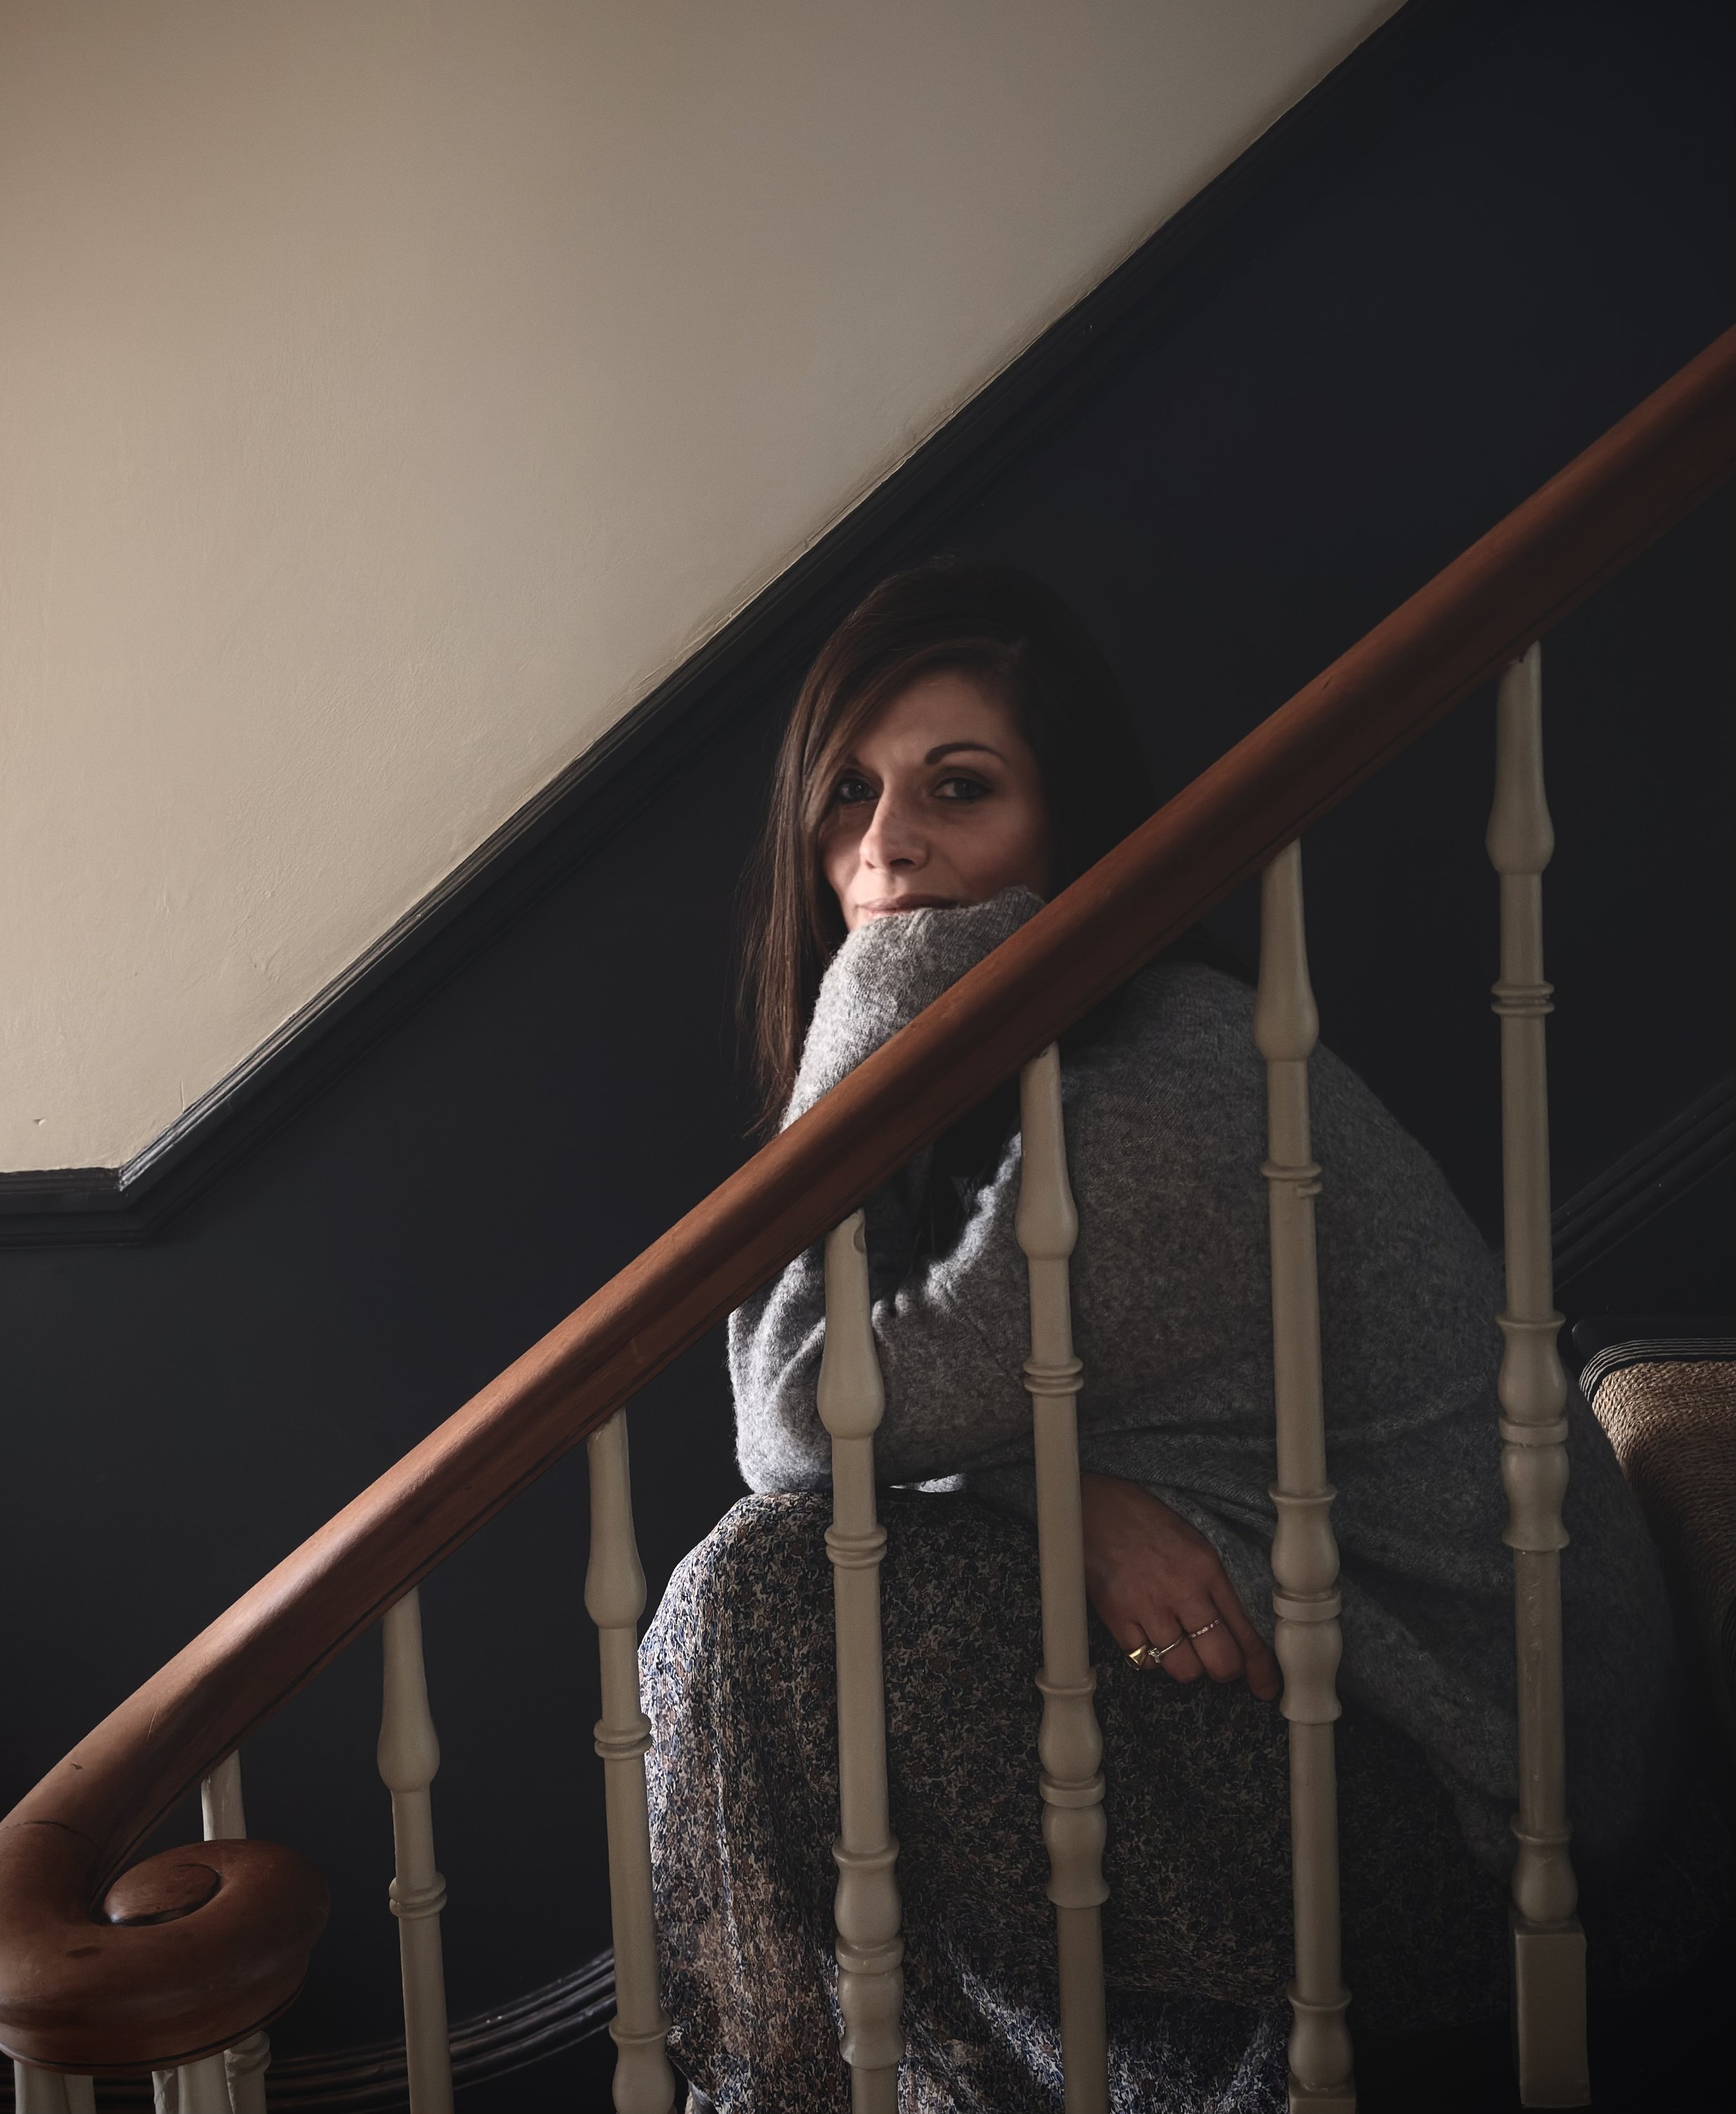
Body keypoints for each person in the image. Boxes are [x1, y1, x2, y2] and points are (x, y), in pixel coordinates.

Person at [640, 564, 1723, 2114]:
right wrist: (1049, 1492)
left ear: (1069, 835)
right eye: (845, 803)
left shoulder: (1174, 1088)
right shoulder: (1022, 1112)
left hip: (1483, 1818)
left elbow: (795, 1418)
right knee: (795, 1631)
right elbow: (873, 1429)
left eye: (958, 788)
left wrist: (872, 986)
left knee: (756, 1603)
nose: (884, 846)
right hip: (1302, 1705)